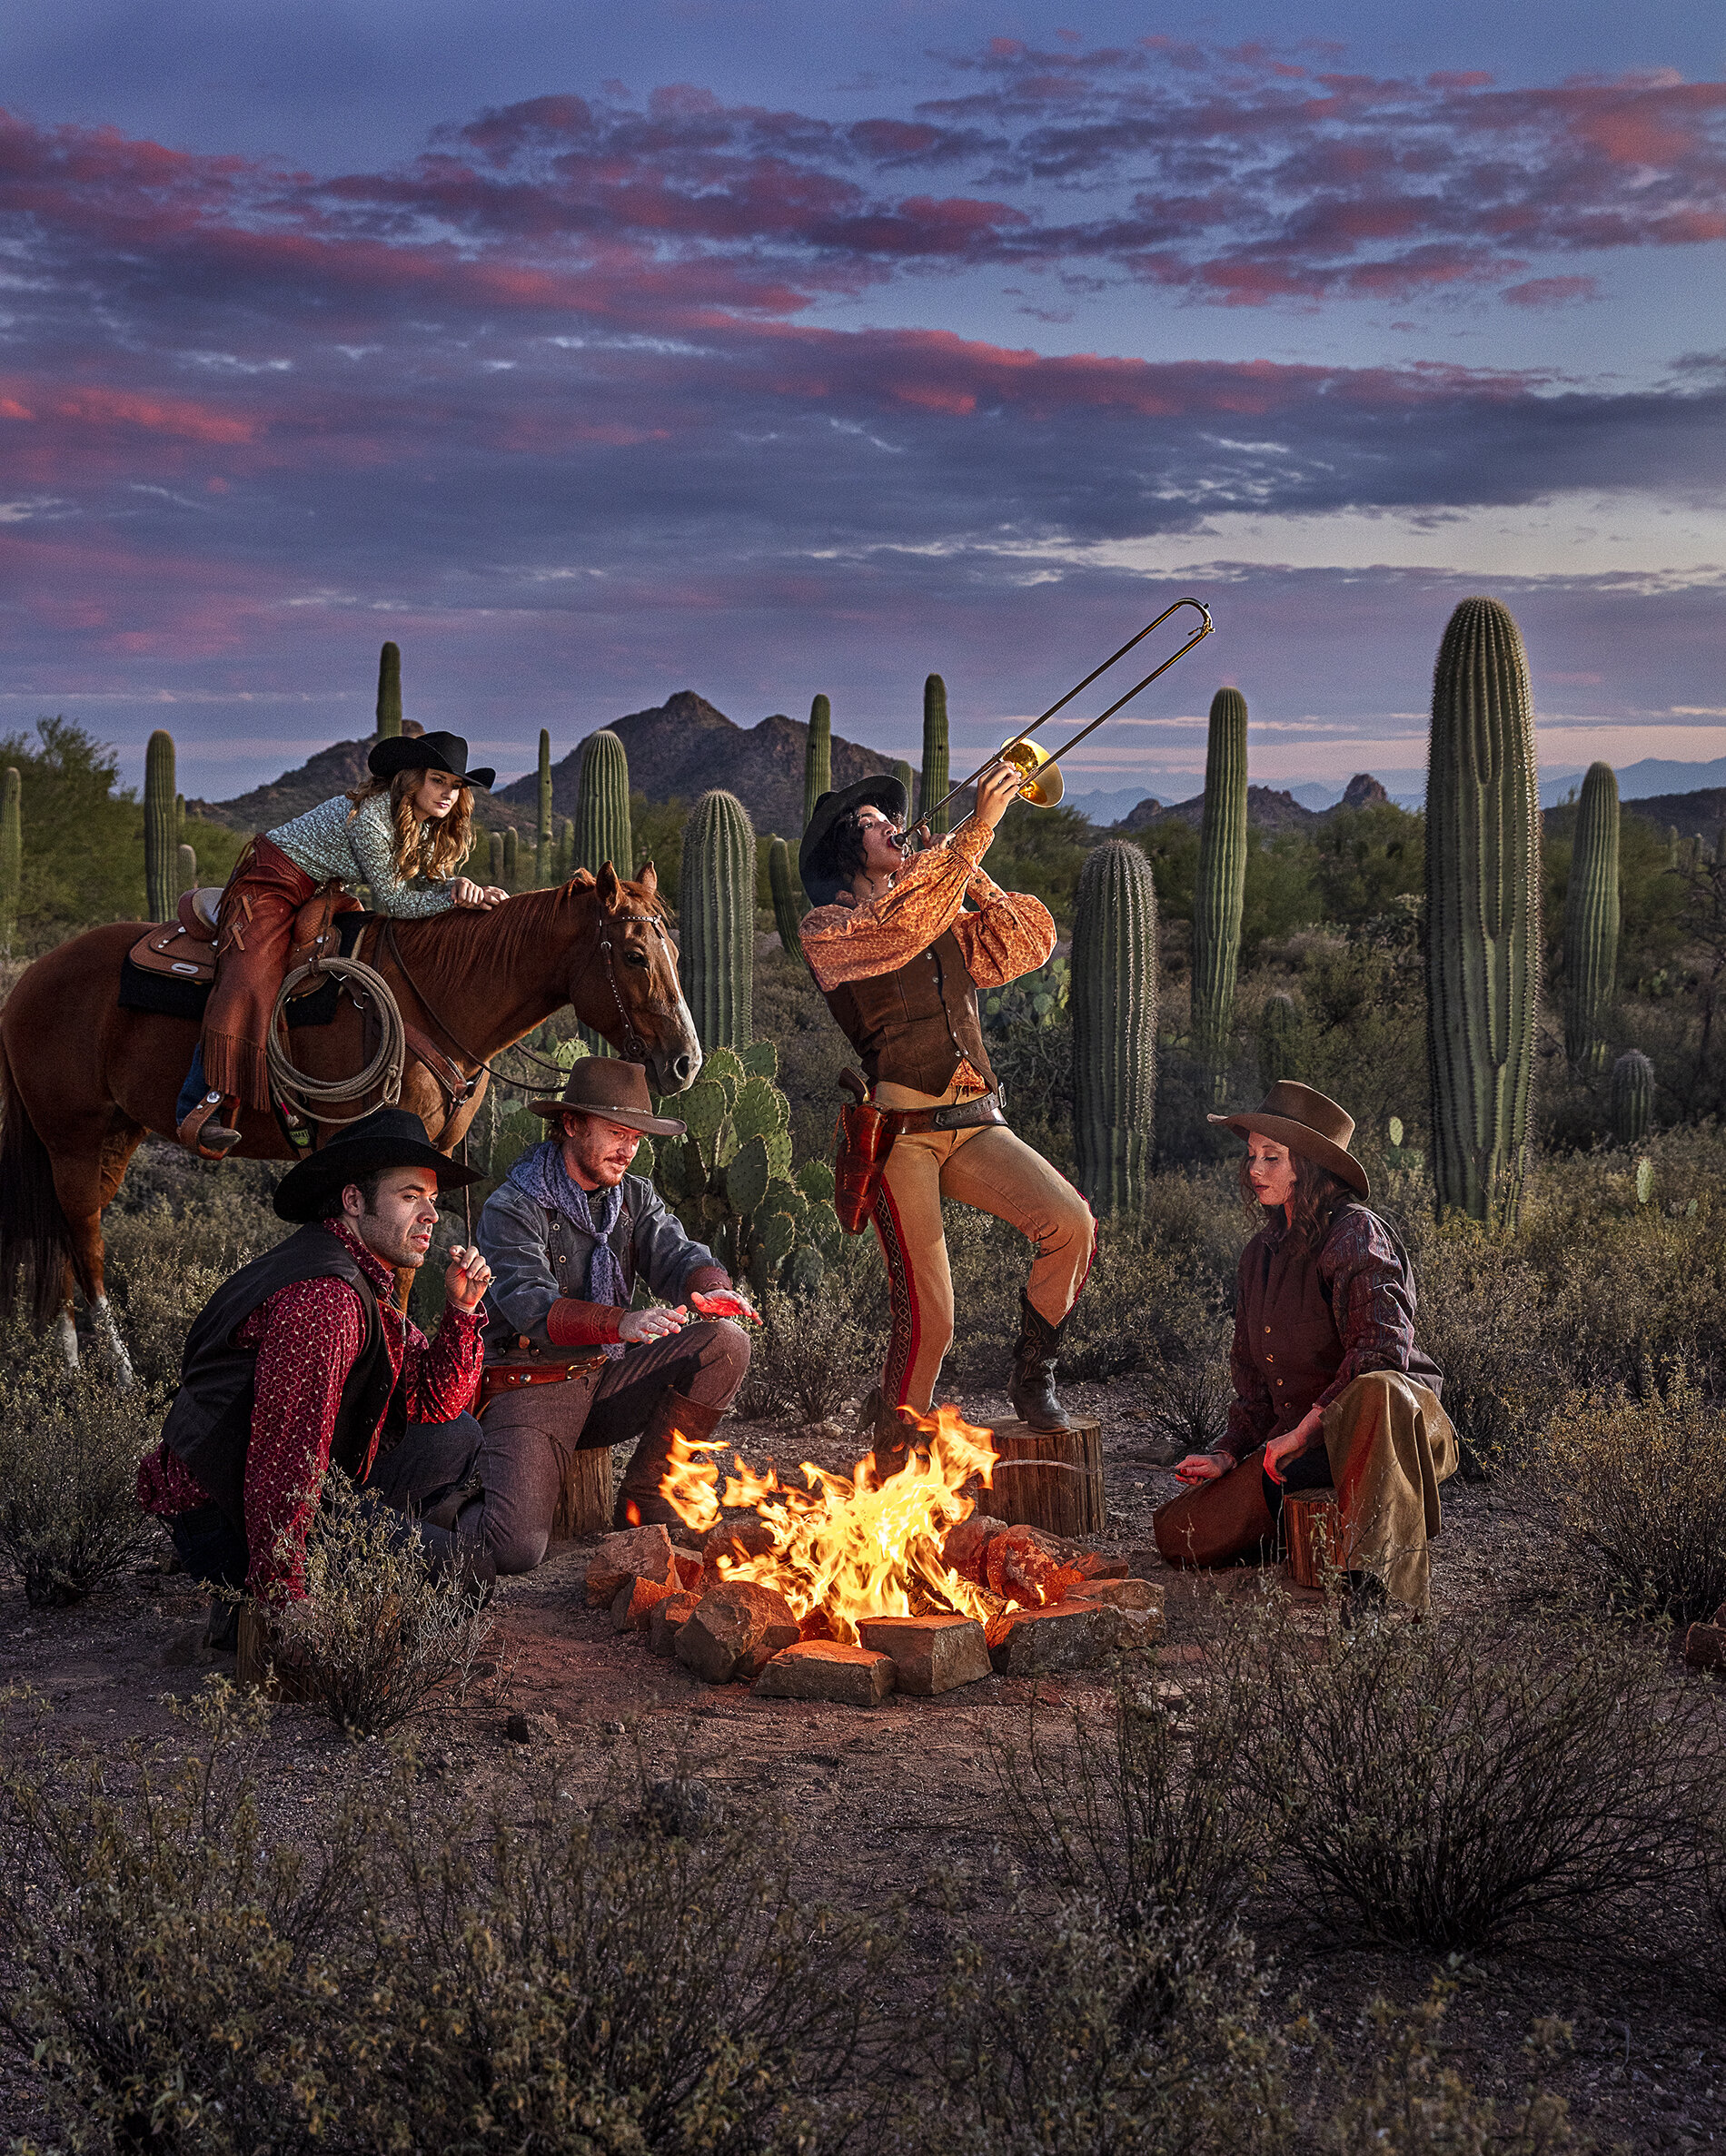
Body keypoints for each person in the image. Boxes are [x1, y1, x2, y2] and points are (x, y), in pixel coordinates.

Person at [798, 767, 1096, 1457]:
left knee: (1071, 1223)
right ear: (849, 847)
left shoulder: (937, 910)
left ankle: (1034, 1374)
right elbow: (896, 930)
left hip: (974, 1120)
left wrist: (965, 865)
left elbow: (1027, 942)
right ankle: (898, 1446)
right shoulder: (833, 928)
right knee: (932, 1320)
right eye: (873, 821)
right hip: (902, 1136)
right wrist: (965, 843)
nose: (889, 826)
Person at [137, 1105, 509, 1646]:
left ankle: (353, 1553)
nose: (431, 1214)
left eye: (433, 1198)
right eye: (410, 1196)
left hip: (270, 1486)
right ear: (353, 1201)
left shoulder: (356, 1270)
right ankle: (262, 1595)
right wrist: (280, 1595)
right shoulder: (326, 1299)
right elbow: (284, 1454)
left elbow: (434, 1403)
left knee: (459, 1437)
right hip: (225, 1514)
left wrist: (462, 1312)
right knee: (466, 1572)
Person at [1153, 1081, 1458, 1612]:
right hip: (1304, 1449)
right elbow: (1253, 1384)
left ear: (1310, 1168)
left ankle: (1380, 1595)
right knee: (1180, 1533)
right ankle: (1301, 1527)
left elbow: (1380, 1351)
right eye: (1251, 1156)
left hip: (1392, 1430)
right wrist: (1229, 1452)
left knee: (1376, 1389)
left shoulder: (1355, 1233)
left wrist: (1302, 1430)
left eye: (1272, 1157)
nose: (1255, 1170)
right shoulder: (1259, 1256)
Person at [176, 729, 508, 1157]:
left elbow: (423, 882)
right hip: (273, 881)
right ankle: (199, 1105)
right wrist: (450, 896)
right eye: (437, 780)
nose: (447, 793)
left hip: (322, 890)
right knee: (250, 977)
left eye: (456, 785)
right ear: (411, 779)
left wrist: (468, 891)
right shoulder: (372, 817)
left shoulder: (423, 825)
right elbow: (393, 900)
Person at [475, 1057, 757, 1542]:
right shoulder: (512, 1206)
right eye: (615, 1133)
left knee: (727, 1342)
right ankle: (419, 1510)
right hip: (533, 1385)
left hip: (605, 1377)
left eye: (636, 1139)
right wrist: (620, 1324)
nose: (627, 1150)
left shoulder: (632, 1197)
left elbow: (675, 1252)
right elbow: (530, 1304)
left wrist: (711, 1286)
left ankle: (647, 1496)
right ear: (570, 1124)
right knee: (515, 1545)